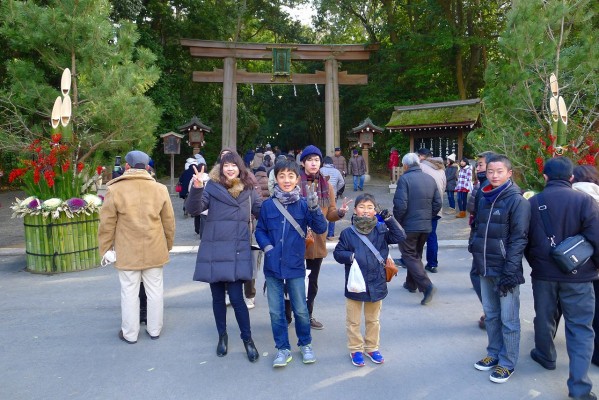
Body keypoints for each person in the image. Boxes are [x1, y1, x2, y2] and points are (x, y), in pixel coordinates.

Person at [524, 158, 599, 399]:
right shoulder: (585, 201)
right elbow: (597, 239)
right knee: (580, 329)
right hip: (580, 276)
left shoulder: (533, 202)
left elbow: (525, 240)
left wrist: (537, 265)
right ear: (571, 178)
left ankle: (545, 356)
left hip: (544, 275)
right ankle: (579, 387)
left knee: (545, 318)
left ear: (544, 176)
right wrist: (592, 267)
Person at [186, 150, 262, 363]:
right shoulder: (211, 186)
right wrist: (197, 188)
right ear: (220, 167)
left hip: (237, 249)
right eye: (225, 165)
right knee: (218, 298)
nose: (229, 168)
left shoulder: (249, 190)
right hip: (214, 249)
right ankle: (222, 336)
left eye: (233, 165)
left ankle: (247, 339)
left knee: (237, 298)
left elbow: (262, 211)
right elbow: (194, 209)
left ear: (240, 167)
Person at [255, 159, 328, 368]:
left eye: (291, 176)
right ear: (276, 179)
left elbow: (321, 228)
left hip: (296, 265)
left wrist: (314, 209)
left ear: (297, 179)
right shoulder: (268, 205)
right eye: (282, 176)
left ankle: (305, 344)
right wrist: (267, 247)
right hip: (272, 266)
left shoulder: (305, 204)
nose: (286, 180)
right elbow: (260, 230)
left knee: (301, 309)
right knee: (276, 312)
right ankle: (282, 348)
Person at [98, 150, 175, 344]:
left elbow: (107, 224)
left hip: (127, 250)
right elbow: (169, 222)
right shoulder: (160, 189)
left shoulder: (115, 190)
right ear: (147, 167)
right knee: (155, 291)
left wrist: (106, 249)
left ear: (127, 166)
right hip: (155, 247)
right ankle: (154, 329)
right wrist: (168, 244)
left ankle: (130, 333)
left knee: (129, 292)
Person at [471, 154, 530, 384]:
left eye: (499, 171)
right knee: (492, 314)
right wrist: (473, 248)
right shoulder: (484, 195)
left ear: (509, 173)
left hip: (506, 270)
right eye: (490, 171)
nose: (494, 176)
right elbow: (477, 225)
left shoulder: (517, 201)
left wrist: (511, 270)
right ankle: (493, 353)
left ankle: (507, 362)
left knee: (509, 318)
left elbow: (519, 238)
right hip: (485, 265)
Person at [333, 193, 405, 367]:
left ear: (375, 211)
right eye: (362, 207)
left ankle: (372, 347)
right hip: (355, 282)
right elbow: (337, 253)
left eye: (370, 207)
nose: (366, 211)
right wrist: (351, 257)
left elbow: (400, 236)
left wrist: (389, 219)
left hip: (376, 281)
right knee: (353, 321)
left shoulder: (381, 230)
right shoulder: (348, 233)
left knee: (373, 320)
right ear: (355, 210)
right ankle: (356, 349)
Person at [300, 145, 350, 329]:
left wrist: (340, 213)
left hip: (317, 242)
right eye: (310, 160)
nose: (313, 163)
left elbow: (330, 213)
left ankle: (307, 314)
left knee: (312, 283)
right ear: (303, 162)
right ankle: (289, 314)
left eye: (317, 160)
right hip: (297, 241)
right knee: (292, 281)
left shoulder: (326, 185)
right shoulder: (295, 182)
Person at [392, 153, 441, 305]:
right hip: (426, 225)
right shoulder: (430, 179)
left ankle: (427, 286)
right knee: (416, 255)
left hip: (409, 225)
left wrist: (397, 223)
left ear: (405, 166)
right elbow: (437, 203)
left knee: (409, 255)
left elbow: (400, 205)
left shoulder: (405, 179)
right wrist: (428, 216)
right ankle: (411, 283)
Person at [572, 165, 599, 368]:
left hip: (575, 264)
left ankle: (547, 343)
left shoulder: (571, 197)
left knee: (574, 313)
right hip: (596, 265)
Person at [467, 151, 496, 329]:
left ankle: (490, 312)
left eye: (481, 164)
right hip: (482, 236)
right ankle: (491, 311)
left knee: (479, 275)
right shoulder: (484, 184)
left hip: (486, 239)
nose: (478, 168)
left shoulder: (488, 186)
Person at [417, 148, 446, 274]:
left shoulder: (422, 167)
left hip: (423, 207)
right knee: (432, 235)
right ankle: (433, 264)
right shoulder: (441, 169)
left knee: (416, 235)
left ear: (422, 156)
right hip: (437, 207)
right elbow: (443, 187)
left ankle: (414, 262)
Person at [320, 156, 345, 240]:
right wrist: (336, 190)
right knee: (332, 212)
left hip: (321, 196)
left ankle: (320, 234)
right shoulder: (337, 171)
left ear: (324, 163)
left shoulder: (321, 170)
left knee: (321, 213)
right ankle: (330, 234)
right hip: (333, 195)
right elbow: (342, 182)